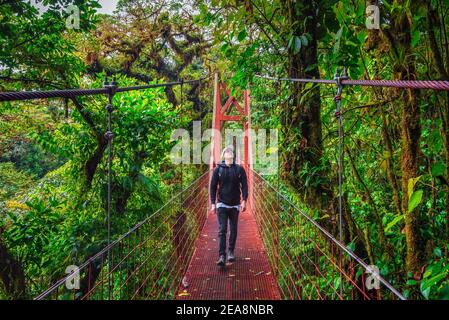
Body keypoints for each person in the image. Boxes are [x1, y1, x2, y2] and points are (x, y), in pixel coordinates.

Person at [210, 145, 248, 266]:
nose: (228, 153)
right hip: (221, 204)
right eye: (226, 151)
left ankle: (231, 251)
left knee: (233, 230)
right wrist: (212, 203)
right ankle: (222, 255)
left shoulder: (239, 169)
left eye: (230, 151)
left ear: (233, 156)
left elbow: (245, 185)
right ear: (223, 155)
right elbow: (212, 186)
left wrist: (244, 200)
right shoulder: (218, 170)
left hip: (235, 204)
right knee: (222, 230)